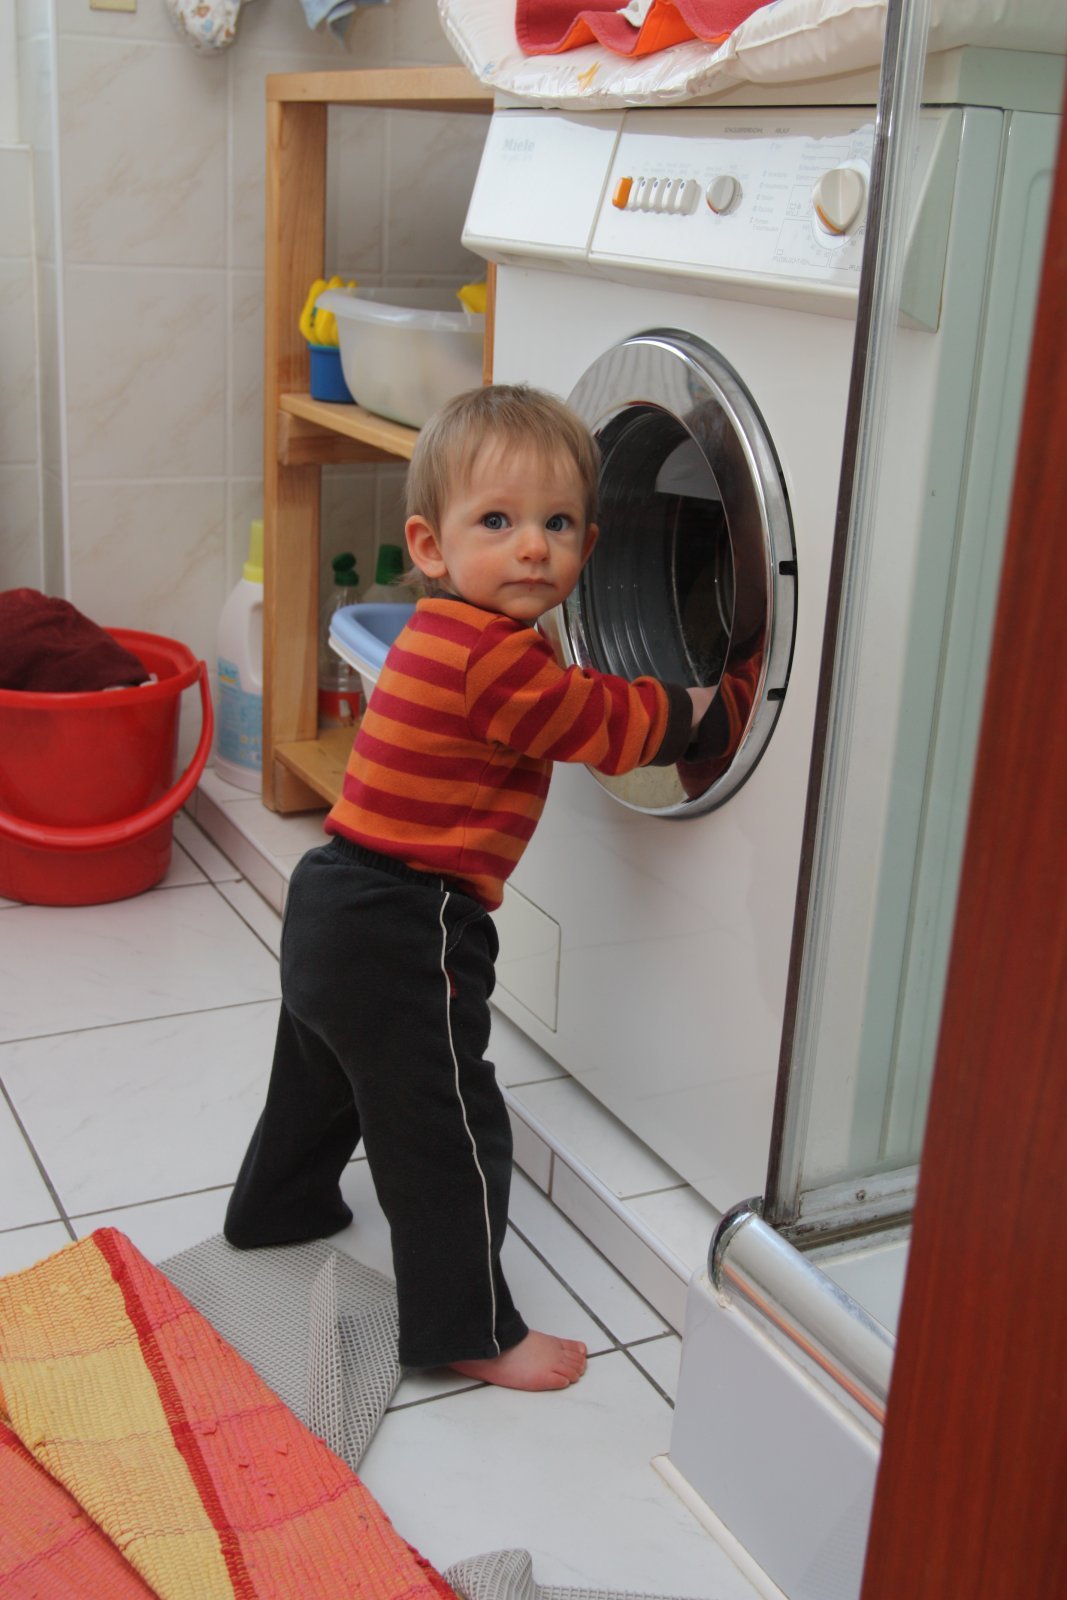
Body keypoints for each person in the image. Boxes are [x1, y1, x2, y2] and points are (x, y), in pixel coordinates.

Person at [224, 384, 718, 1391]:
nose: (532, 547)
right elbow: (603, 725)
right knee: (447, 1129)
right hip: (410, 921)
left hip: (332, 895)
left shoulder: (439, 632)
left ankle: (277, 1205)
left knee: (321, 1079)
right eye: (497, 521)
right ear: (431, 545)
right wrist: (711, 703)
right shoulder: (496, 663)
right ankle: (468, 1329)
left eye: (558, 524)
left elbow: (563, 696)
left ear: (590, 542)